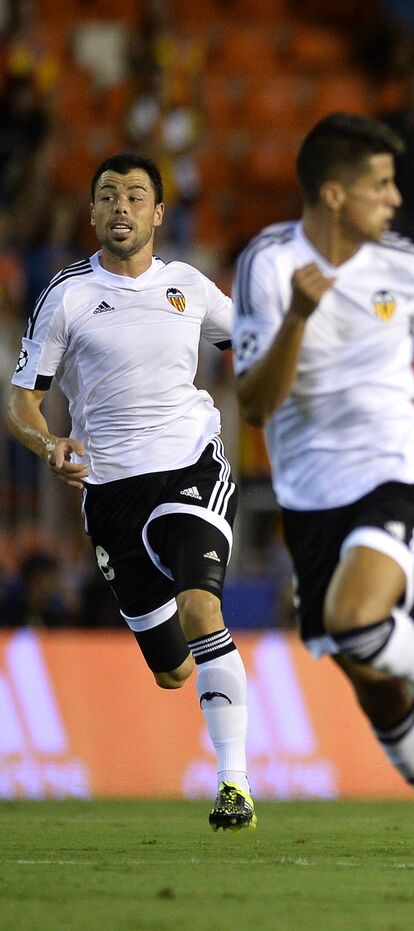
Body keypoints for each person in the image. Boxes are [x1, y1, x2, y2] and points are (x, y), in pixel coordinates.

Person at [231, 114, 414, 909]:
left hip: (393, 471)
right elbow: (254, 407)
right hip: (307, 495)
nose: (396, 198)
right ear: (334, 193)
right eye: (380, 185)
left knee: (362, 619)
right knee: (369, 681)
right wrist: (297, 315)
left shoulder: (412, 270)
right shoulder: (268, 265)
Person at [6, 152, 254, 830]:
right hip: (111, 492)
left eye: (136, 195)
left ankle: (234, 782)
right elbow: (23, 400)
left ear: (157, 214)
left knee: (203, 608)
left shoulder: (189, 286)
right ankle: (207, 696)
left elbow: (253, 341)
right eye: (109, 195)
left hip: (189, 467)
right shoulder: (67, 294)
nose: (122, 206)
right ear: (91, 213)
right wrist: (48, 443)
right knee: (172, 669)